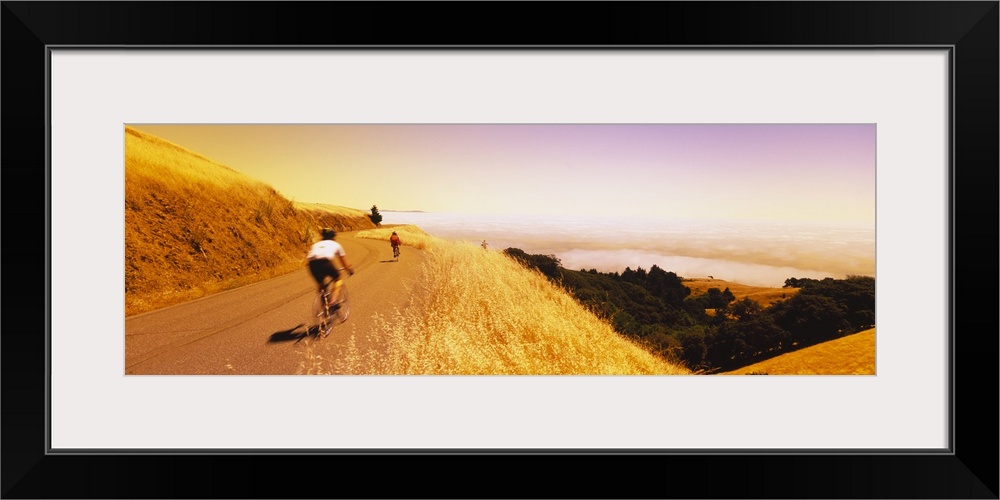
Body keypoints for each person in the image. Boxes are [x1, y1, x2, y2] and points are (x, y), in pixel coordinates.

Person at [306, 228, 354, 306]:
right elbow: (343, 261)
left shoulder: (316, 245)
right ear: (333, 237)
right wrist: (349, 269)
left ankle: (325, 307)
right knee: (338, 279)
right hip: (325, 262)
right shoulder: (336, 244)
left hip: (312, 264)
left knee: (321, 285)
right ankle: (333, 302)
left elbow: (307, 261)